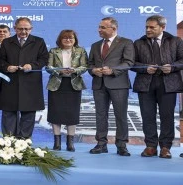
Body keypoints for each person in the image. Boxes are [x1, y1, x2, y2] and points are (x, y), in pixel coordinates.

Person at [132, 15, 183, 159]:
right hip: (145, 83)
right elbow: (132, 63)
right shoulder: (138, 43)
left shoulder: (176, 41)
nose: (148, 30)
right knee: (147, 116)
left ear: (162, 27)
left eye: (152, 27)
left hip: (169, 83)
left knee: (167, 117)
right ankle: (150, 146)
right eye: (147, 27)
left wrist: (172, 67)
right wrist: (144, 69)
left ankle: (165, 147)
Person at [88, 17, 134, 156]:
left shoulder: (126, 42)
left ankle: (121, 145)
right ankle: (101, 144)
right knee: (100, 115)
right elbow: (90, 64)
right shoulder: (95, 45)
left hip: (118, 84)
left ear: (113, 28)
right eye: (99, 27)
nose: (99, 30)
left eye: (102, 27)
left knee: (120, 115)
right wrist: (93, 70)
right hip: (99, 84)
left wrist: (113, 70)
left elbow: (129, 62)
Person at [0, 17, 49, 139]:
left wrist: (32, 66)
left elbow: (44, 59)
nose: (23, 32)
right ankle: (8, 142)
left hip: (30, 84)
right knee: (9, 113)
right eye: (20, 29)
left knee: (28, 114)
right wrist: (7, 67)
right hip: (10, 83)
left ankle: (24, 142)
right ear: (15, 28)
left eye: (26, 29)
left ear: (31, 29)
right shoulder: (6, 42)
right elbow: (0, 60)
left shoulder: (39, 41)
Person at [46, 30, 88, 151]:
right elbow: (48, 67)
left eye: (71, 38)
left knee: (72, 114)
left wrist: (74, 70)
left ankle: (70, 143)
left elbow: (85, 66)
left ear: (75, 40)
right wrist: (59, 71)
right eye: (65, 38)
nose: (68, 40)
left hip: (73, 85)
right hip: (56, 85)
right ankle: (57, 142)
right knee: (55, 114)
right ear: (60, 40)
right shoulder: (54, 51)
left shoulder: (81, 51)